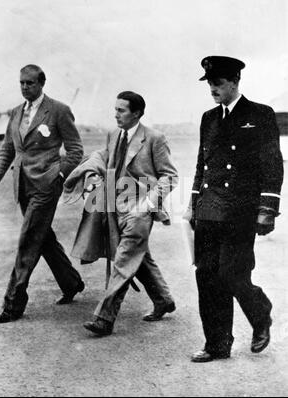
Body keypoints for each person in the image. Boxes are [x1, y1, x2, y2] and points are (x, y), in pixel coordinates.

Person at [184, 56, 284, 362]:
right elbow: (203, 164)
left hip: (241, 209)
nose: (212, 89)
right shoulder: (208, 118)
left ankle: (260, 313)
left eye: (218, 83)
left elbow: (272, 163)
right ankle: (217, 344)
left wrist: (267, 207)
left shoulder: (260, 114)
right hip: (210, 209)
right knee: (207, 276)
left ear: (235, 81)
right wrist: (193, 205)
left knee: (232, 274)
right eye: (210, 83)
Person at [64, 91, 178, 336]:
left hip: (140, 210)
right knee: (139, 257)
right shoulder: (113, 135)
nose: (115, 114)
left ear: (136, 113)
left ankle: (104, 318)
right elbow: (104, 159)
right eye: (115, 109)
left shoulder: (155, 138)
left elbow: (170, 177)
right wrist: (93, 177)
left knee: (125, 261)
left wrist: (147, 205)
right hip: (115, 207)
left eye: (121, 110)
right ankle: (163, 300)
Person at [0, 64, 85, 324]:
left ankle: (13, 304)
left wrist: (59, 175)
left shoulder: (58, 111)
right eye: (21, 83)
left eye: (30, 83)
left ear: (42, 83)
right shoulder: (16, 112)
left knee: (29, 239)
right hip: (22, 185)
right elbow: (8, 149)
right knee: (42, 237)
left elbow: (75, 150)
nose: (24, 87)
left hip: (46, 186)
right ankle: (71, 283)